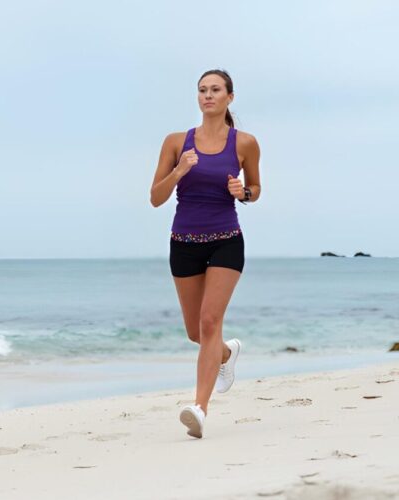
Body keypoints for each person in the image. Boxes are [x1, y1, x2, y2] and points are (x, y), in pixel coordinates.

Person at [149, 69, 262, 439]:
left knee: (211, 322)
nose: (208, 96)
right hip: (183, 243)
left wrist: (240, 192)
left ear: (230, 97)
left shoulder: (244, 143)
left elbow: (256, 189)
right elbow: (155, 198)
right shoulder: (175, 142)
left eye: (215, 90)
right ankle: (226, 356)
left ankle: (199, 408)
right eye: (202, 90)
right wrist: (180, 170)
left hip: (226, 240)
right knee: (198, 334)